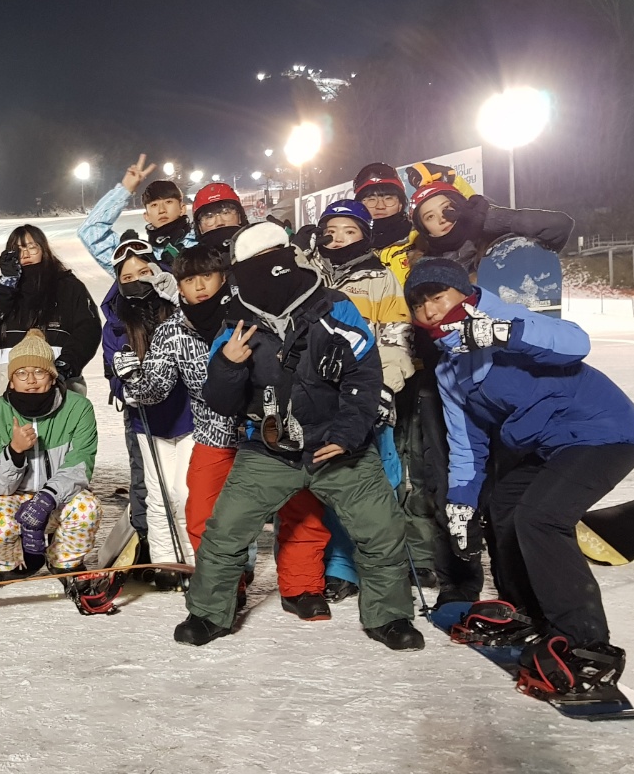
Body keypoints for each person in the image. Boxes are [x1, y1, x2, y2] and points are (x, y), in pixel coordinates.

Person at [405, 257, 634, 701]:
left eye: (438, 296)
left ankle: (585, 643)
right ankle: (528, 613)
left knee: (541, 518)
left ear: (464, 293)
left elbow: (575, 342)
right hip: (552, 447)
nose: (430, 310)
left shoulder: (505, 319)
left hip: (604, 432)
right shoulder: (449, 369)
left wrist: (503, 332)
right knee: (502, 507)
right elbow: (467, 445)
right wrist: (460, 503)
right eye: (419, 304)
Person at [182, 223, 423, 650]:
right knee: (226, 531)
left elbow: (364, 375)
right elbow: (219, 401)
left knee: (382, 529)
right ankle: (207, 614)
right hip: (269, 449)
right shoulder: (234, 321)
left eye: (276, 256)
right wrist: (228, 365)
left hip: (339, 447)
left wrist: (347, 434)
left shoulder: (335, 307)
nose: (272, 270)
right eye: (258, 262)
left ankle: (390, 616)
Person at [119, 243, 333, 605]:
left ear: (223, 277)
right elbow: (154, 391)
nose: (199, 286)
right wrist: (133, 378)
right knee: (203, 513)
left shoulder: (253, 314)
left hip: (267, 431)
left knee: (300, 506)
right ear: (177, 285)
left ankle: (302, 587)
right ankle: (224, 589)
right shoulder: (172, 331)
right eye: (189, 280)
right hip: (213, 433)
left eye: (207, 276)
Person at [355, 162, 478, 603]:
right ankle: (374, 551)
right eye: (370, 196)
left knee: (424, 465)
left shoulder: (419, 241)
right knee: (379, 466)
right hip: (370, 373)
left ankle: (423, 553)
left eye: (387, 195)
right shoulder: (351, 244)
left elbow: (461, 213)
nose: (379, 203)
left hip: (425, 367)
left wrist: (447, 179)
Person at [308, 199, 426, 598]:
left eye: (350, 231)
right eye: (331, 231)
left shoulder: (381, 279)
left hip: (368, 395)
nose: (339, 238)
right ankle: (340, 567)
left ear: (365, 235)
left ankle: (385, 560)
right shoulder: (307, 274)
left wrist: (384, 389)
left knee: (380, 480)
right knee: (330, 481)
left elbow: (396, 339)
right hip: (320, 399)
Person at [0, 331, 113, 613]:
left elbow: (80, 464)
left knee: (87, 508)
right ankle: (6, 563)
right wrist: (15, 451)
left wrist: (47, 498)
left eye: (39, 372)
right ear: (10, 380)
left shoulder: (78, 408)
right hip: (12, 496)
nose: (30, 380)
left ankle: (63, 561)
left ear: (52, 376)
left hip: (57, 495)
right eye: (21, 373)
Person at [101, 237, 191, 577]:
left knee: (185, 491)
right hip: (147, 419)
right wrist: (125, 388)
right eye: (127, 277)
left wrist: (179, 301)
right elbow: (113, 370)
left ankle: (194, 557)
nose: (136, 280)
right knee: (158, 493)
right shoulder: (116, 323)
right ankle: (165, 561)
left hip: (189, 415)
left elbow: (204, 337)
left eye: (143, 272)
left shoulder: (177, 307)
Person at [0, 224, 101, 395]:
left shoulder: (68, 286)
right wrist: (7, 284)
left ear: (44, 249)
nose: (25, 254)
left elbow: (88, 329)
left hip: (61, 378)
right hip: (8, 382)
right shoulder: (3, 291)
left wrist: (67, 364)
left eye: (31, 247)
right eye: (17, 250)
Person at [409, 178, 573, 273]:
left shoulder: (500, 245)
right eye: (430, 217)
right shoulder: (425, 270)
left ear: (461, 206)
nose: (442, 219)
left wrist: (484, 218)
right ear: (424, 229)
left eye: (447, 208)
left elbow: (558, 225)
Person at [79, 154, 195, 270]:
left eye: (168, 202)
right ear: (146, 216)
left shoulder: (199, 243)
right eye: (154, 205)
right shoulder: (138, 257)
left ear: (182, 209)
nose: (161, 210)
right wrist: (125, 190)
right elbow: (90, 231)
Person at [190, 182, 249, 251]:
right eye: (209, 217)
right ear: (199, 227)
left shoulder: (257, 248)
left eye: (226, 213)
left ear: (239, 217)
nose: (219, 222)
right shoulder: (191, 257)